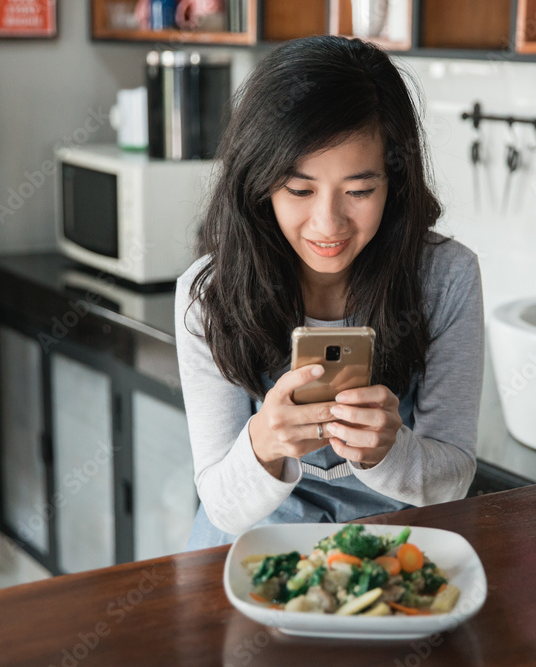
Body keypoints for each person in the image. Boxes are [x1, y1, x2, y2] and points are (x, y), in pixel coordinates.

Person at [175, 35, 483, 550]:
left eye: (360, 191)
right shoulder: (208, 295)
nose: (328, 223)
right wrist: (264, 443)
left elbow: (453, 479)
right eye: (299, 190)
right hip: (251, 541)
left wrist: (391, 452)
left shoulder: (445, 278)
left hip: (391, 539)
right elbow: (222, 504)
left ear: (395, 182)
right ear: (259, 181)